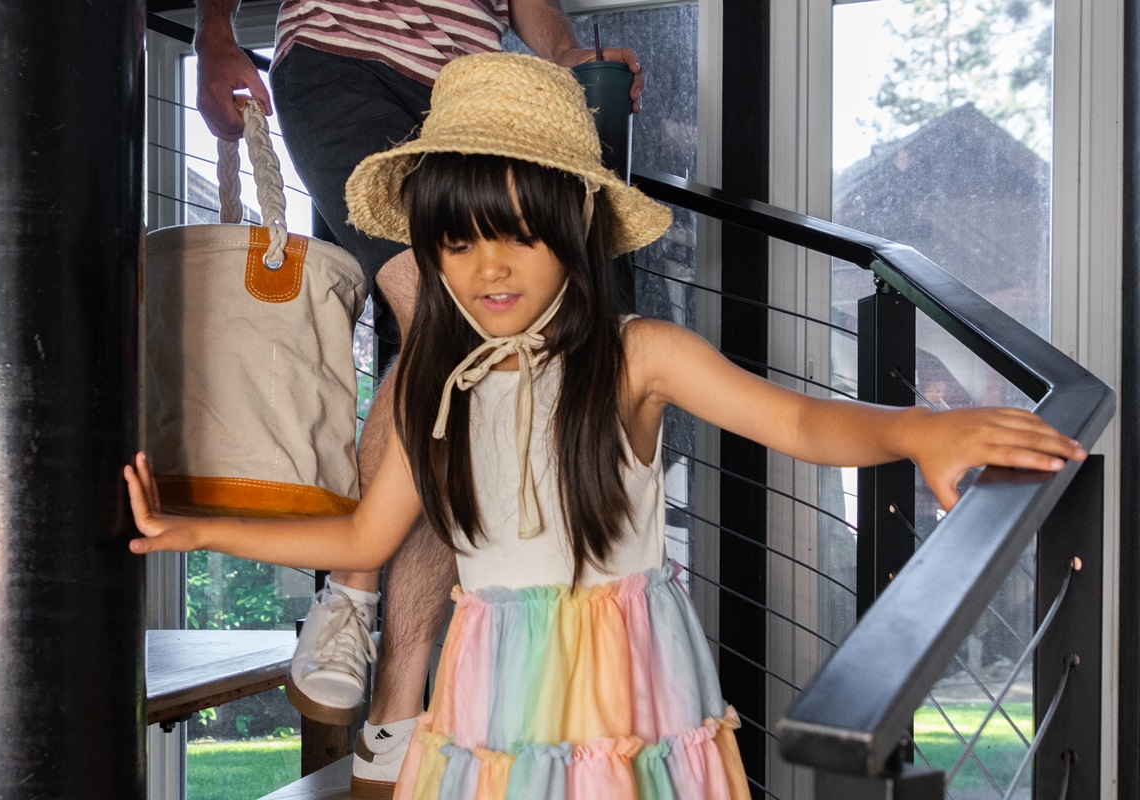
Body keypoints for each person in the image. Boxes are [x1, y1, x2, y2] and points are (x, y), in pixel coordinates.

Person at [128, 53, 1085, 799]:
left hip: (626, 684)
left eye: (516, 233)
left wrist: (916, 430)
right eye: (456, 241)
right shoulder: (434, 380)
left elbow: (795, 418)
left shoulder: (637, 356)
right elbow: (363, 538)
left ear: (576, 222)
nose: (485, 268)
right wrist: (198, 528)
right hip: (491, 688)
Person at [192, 2, 645, 794]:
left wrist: (566, 50)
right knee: (441, 312)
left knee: (466, 365)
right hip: (338, 60)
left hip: (462, 96)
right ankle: (351, 596)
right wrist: (216, 38)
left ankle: (397, 717)